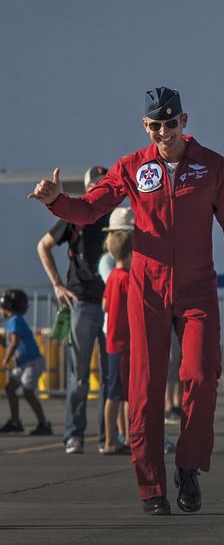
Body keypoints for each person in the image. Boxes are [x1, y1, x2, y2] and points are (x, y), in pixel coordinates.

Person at [30, 86, 224, 516]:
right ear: (146, 126)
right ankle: (151, 486)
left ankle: (188, 466)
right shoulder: (133, 167)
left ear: (184, 121)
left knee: (201, 374)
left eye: (170, 124)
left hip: (197, 288)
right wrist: (56, 202)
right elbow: (89, 210)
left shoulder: (213, 166)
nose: (164, 132)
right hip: (147, 287)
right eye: (156, 125)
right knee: (145, 386)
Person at [36, 164, 110, 454]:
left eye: (104, 184)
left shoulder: (115, 217)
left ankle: (109, 436)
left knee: (111, 375)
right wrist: (56, 284)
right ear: (87, 187)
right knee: (78, 375)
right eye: (95, 185)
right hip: (81, 302)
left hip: (110, 305)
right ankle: (73, 435)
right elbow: (43, 245)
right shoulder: (75, 215)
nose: (99, 189)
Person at [100, 208, 134, 455]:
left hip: (112, 342)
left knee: (115, 394)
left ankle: (114, 438)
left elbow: (104, 305)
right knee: (127, 395)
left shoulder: (112, 276)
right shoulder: (127, 279)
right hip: (126, 344)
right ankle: (123, 438)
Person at [1, 289, 51, 436]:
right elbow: (12, 343)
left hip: (31, 363)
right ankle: (15, 422)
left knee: (28, 392)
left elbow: (15, 343)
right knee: (10, 388)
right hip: (23, 363)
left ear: (7, 306)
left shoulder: (15, 321)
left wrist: (6, 359)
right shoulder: (14, 321)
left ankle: (43, 424)